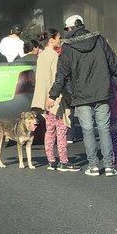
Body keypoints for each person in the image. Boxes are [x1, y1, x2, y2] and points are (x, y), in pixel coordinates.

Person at [46, 15, 117, 177]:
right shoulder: (99, 40)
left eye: (66, 29)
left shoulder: (67, 47)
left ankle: (93, 166)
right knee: (104, 129)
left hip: (81, 96)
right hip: (102, 93)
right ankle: (109, 166)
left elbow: (61, 74)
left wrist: (52, 95)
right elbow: (114, 63)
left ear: (71, 28)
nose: (66, 33)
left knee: (88, 130)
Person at [33, 29, 77, 172]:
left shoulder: (41, 56)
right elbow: (58, 79)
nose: (60, 40)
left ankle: (51, 161)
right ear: (51, 40)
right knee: (61, 130)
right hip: (55, 100)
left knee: (49, 131)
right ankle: (64, 161)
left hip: (44, 100)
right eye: (58, 38)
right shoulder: (54, 57)